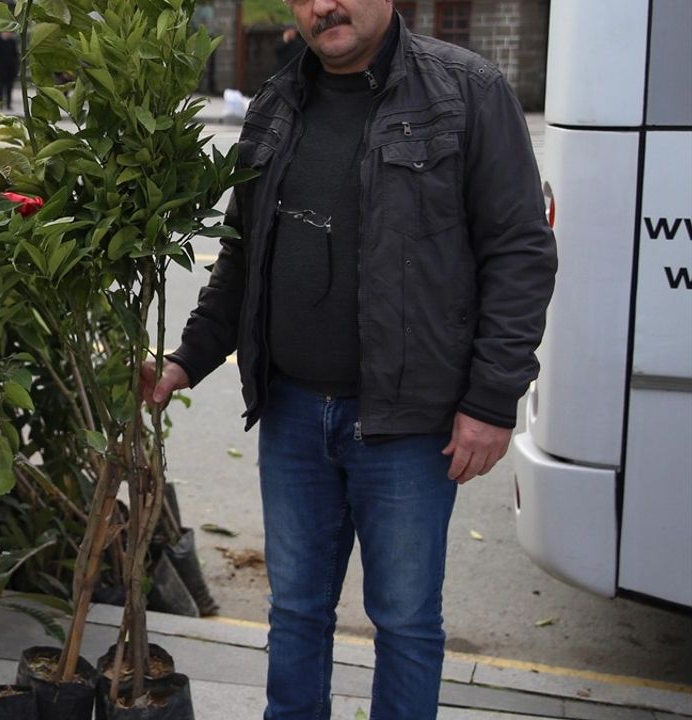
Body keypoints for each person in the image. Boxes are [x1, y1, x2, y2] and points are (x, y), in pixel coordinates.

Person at [143, 1, 556, 717]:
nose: (321, 6)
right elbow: (241, 260)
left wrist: (491, 400)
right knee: (297, 612)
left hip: (408, 426)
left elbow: (519, 254)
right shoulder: (277, 102)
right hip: (295, 412)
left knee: (404, 623)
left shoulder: (469, 93)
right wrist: (186, 359)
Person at [0, 30, 19, 111]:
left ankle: (9, 104)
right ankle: (0, 104)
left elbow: (16, 55)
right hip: (0, 68)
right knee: (1, 87)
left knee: (9, 87)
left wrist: (15, 65)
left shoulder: (12, 42)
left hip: (10, 69)